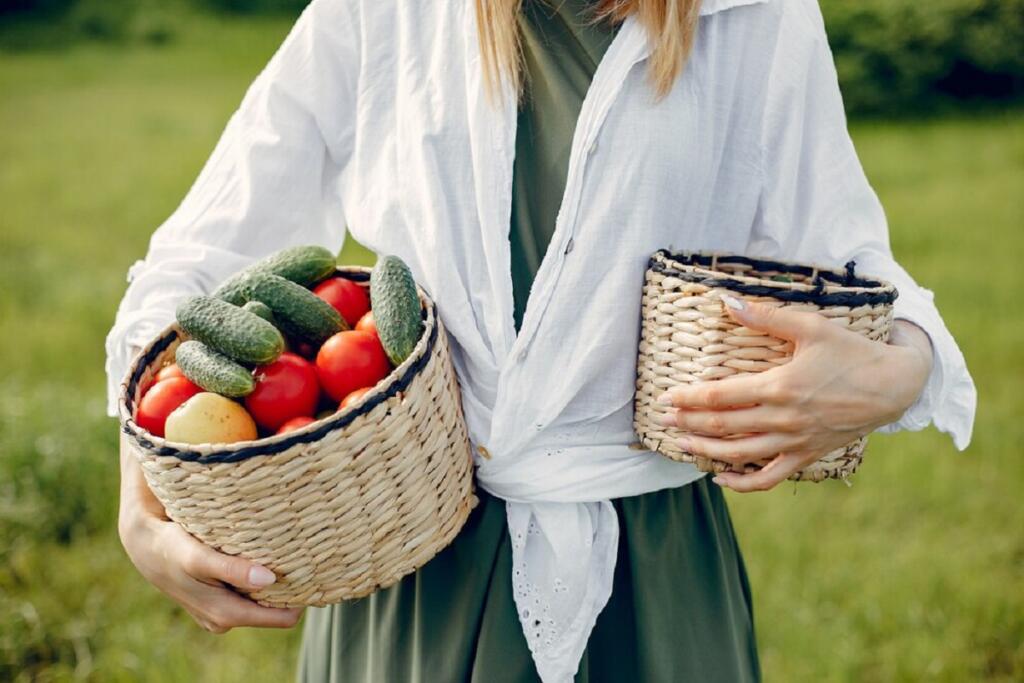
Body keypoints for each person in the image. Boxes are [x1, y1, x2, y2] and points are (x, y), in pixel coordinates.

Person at [106, 1, 976, 681]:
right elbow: (197, 257)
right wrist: (137, 501)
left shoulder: (757, 14)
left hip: (651, 577)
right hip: (405, 562)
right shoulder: (385, 10)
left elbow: (866, 279)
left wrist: (899, 373)